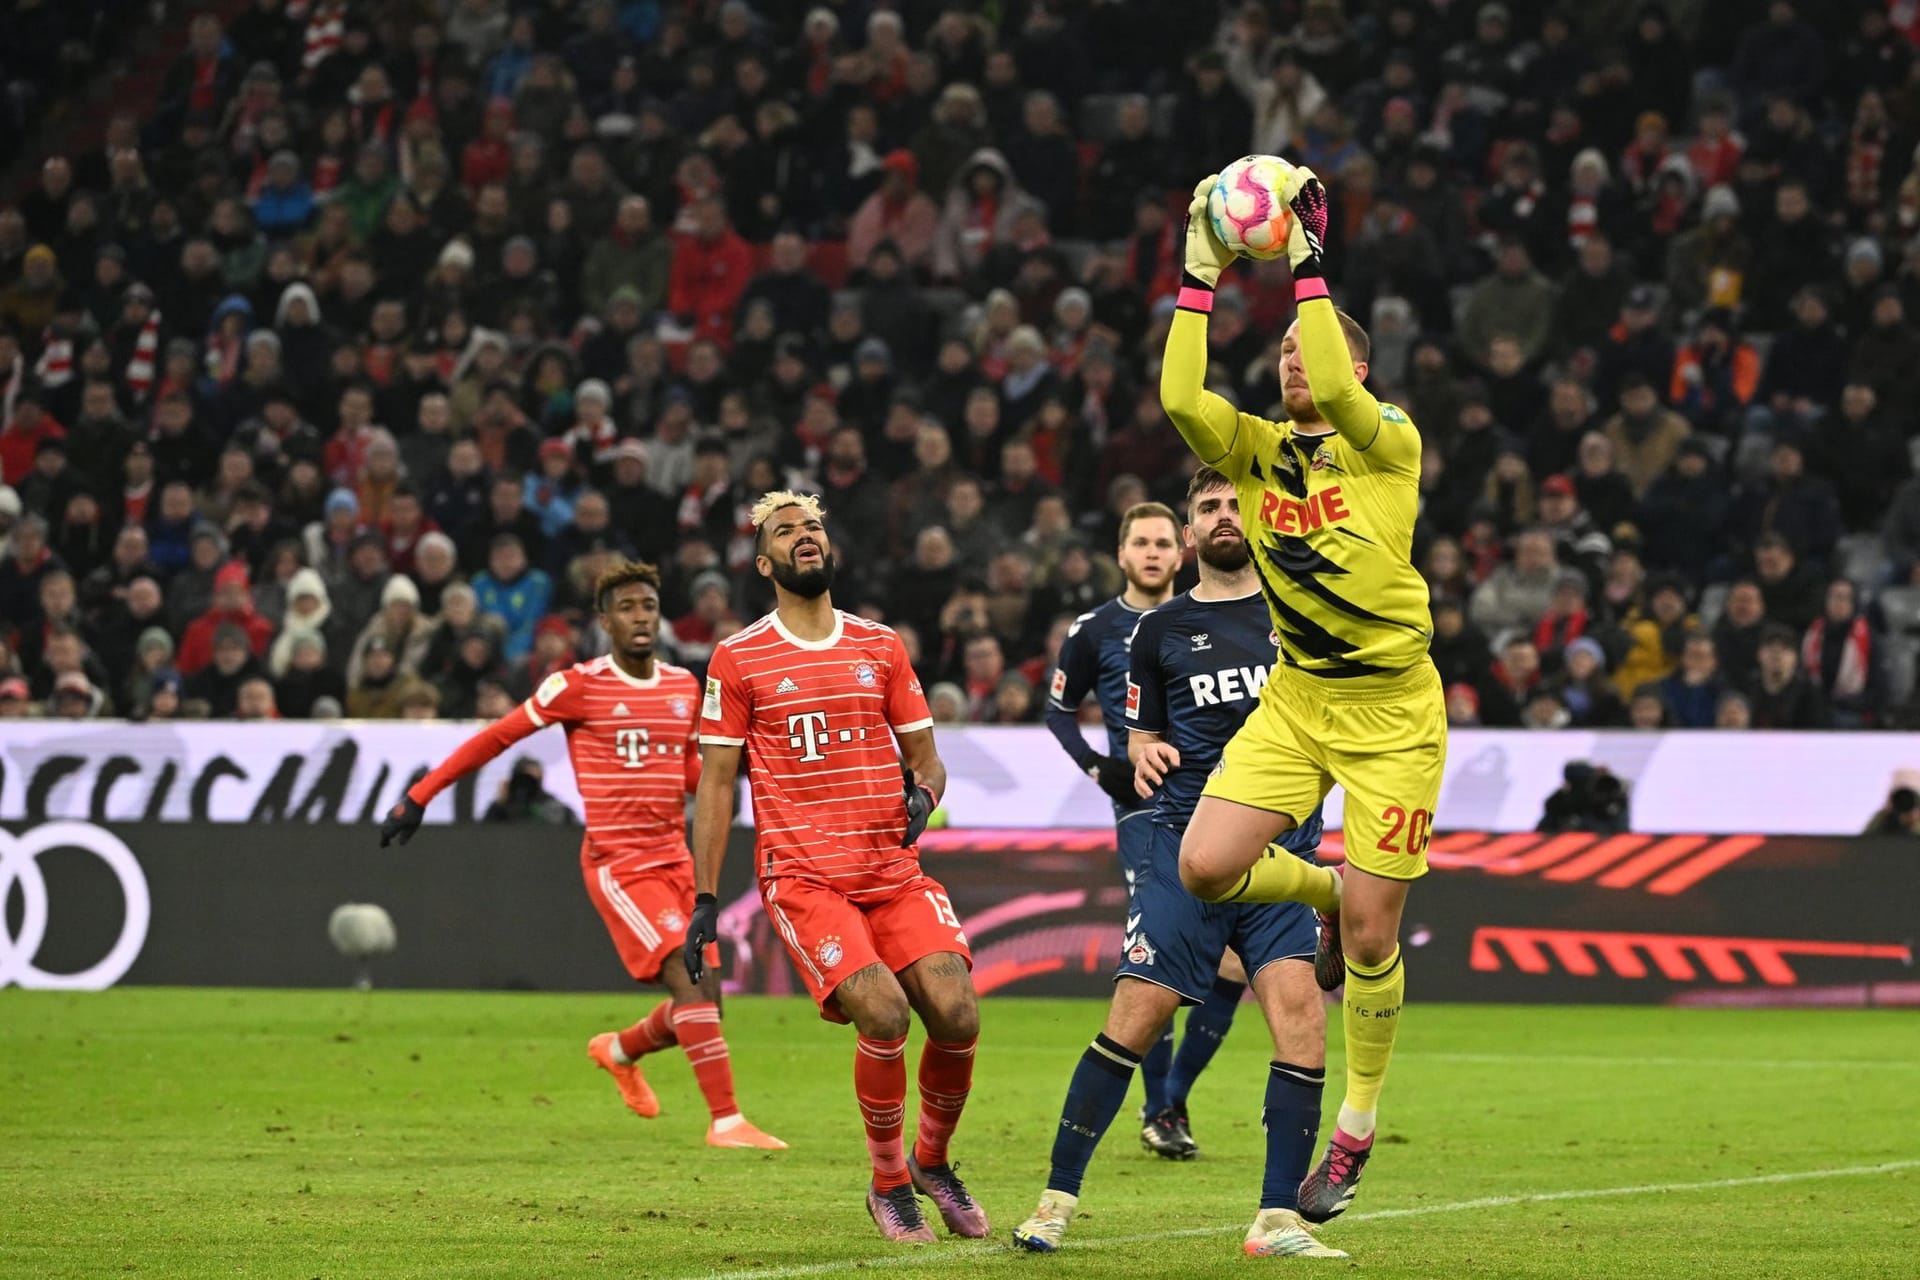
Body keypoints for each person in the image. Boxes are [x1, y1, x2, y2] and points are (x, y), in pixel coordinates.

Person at [1161, 166, 1443, 1224]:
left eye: (1306, 351)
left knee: (1374, 946)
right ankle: (1323, 890)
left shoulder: (1388, 446)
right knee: (1206, 861)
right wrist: (1200, 278)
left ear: (1356, 372)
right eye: (1278, 352)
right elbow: (1182, 398)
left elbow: (1331, 370)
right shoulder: (1256, 452)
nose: (1290, 364)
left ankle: (1356, 1130)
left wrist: (1307, 265)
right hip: (1299, 698)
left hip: (1393, 714)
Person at [1014, 467, 1340, 1260]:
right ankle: (1054, 1202)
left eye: (1237, 504)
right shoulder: (1156, 631)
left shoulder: (1303, 617)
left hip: (1281, 857)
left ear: (1260, 520)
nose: (1225, 516)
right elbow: (1140, 734)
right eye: (1209, 508)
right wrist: (1139, 746)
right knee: (1134, 1017)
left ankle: (1277, 1221)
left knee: (1302, 1020)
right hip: (1186, 849)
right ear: (1191, 536)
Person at [378, 559, 784, 1152]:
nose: (640, 617)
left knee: (707, 1006)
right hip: (620, 864)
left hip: (676, 858)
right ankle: (726, 1121)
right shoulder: (577, 686)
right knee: (689, 984)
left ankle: (618, 1050)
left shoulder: (681, 686)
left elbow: (688, 771)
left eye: (648, 605)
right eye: (626, 608)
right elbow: (497, 737)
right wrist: (420, 795)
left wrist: (745, 776)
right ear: (605, 623)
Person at [686, 491, 985, 1245]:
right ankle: (888, 1186)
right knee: (882, 1012)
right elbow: (718, 783)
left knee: (957, 1013)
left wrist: (924, 794)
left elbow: (929, 760)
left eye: (812, 525)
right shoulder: (739, 656)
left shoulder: (880, 645)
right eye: (786, 531)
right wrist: (704, 897)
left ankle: (932, 1162)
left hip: (892, 870)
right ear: (765, 563)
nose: (804, 536)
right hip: (805, 877)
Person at [1043, 497, 1237, 1156]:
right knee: (1162, 950)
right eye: (1141, 544)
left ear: (1181, 550)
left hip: (1228, 798)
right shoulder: (1095, 629)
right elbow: (1058, 709)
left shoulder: (1214, 613)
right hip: (1146, 806)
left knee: (1234, 963)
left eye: (1162, 542)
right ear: (1122, 555)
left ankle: (1171, 1096)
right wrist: (1099, 769)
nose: (1153, 553)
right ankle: (1160, 1108)